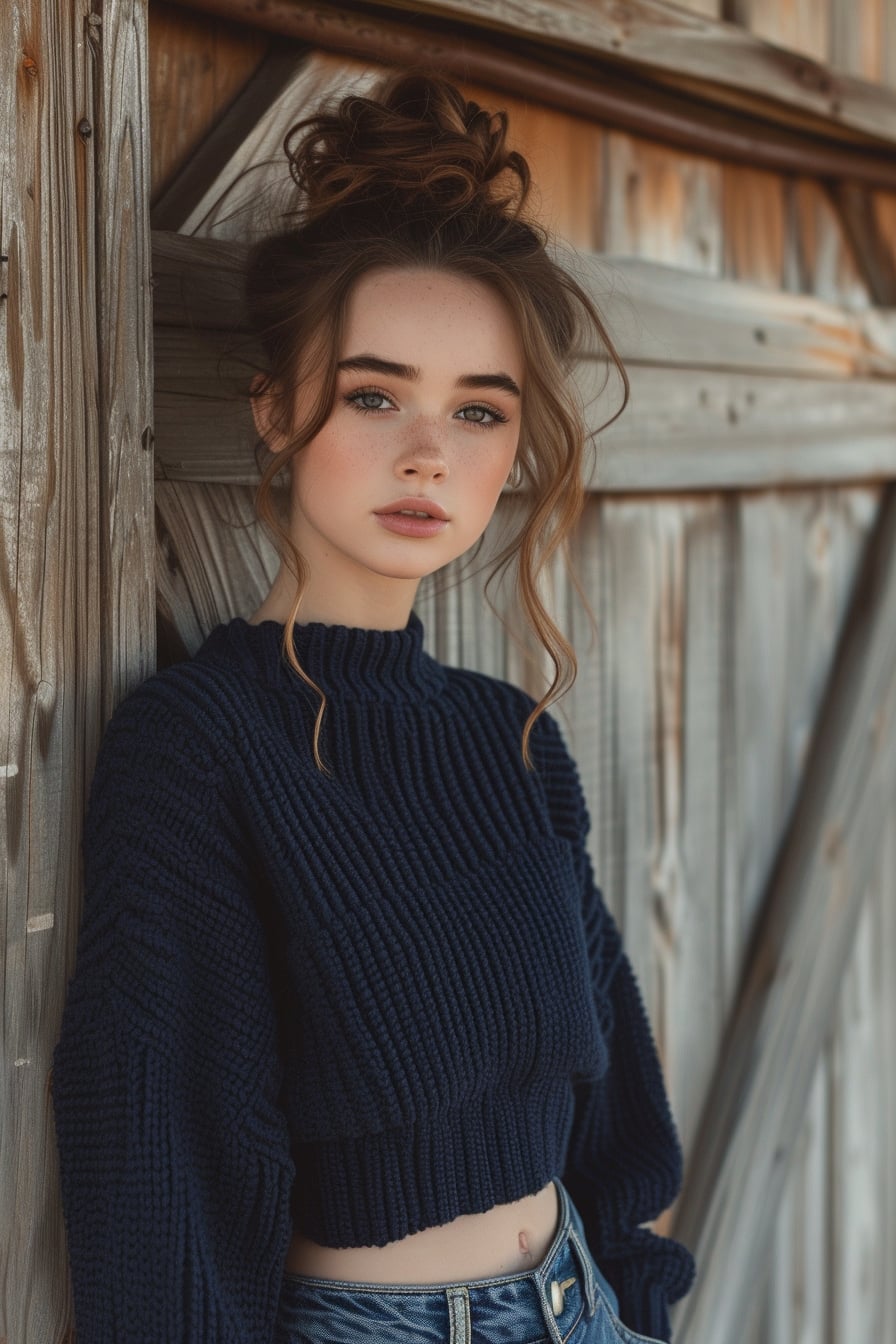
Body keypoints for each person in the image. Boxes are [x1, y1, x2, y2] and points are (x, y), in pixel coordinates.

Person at [52, 70, 696, 1344]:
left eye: (476, 410)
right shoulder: (201, 749)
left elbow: (613, 1104)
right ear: (276, 410)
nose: (426, 453)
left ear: (514, 449)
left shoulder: (507, 737)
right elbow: (161, 1154)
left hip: (583, 1308)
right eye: (372, 394)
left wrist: (634, 1303)